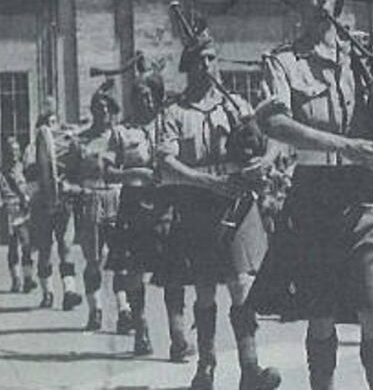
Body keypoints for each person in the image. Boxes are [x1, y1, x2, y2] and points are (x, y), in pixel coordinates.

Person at [255, 0, 373, 390]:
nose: (321, 0)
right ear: (297, 3)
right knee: (322, 315)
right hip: (314, 196)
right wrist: (348, 145)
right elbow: (274, 121)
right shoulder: (283, 61)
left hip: (368, 194)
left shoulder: (364, 55)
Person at [158, 21, 281, 390]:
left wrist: (266, 159)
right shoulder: (176, 112)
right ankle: (206, 367)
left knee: (243, 287)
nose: (208, 66)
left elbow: (273, 134)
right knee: (206, 289)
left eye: (212, 58)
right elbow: (166, 163)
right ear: (188, 66)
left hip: (239, 207)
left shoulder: (238, 106)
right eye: (200, 60)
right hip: (198, 208)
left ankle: (250, 368)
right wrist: (207, 181)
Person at [104, 71, 195, 360]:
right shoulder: (121, 132)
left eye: (149, 94)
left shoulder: (169, 123)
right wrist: (135, 173)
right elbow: (106, 170)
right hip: (134, 206)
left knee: (174, 273)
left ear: (157, 96)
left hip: (167, 205)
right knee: (134, 271)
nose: (144, 99)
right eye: (139, 94)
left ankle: (178, 336)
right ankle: (141, 328)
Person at [71, 83, 123, 331]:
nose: (102, 112)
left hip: (116, 197)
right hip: (90, 199)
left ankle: (125, 310)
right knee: (93, 260)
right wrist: (74, 188)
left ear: (112, 111)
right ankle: (96, 311)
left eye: (106, 108)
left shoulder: (119, 137)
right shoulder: (80, 140)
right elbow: (67, 174)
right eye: (98, 107)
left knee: (121, 258)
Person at [29, 106, 83, 311]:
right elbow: (31, 175)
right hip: (42, 204)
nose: (51, 126)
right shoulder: (32, 148)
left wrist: (67, 183)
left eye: (53, 122)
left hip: (63, 201)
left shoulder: (67, 145)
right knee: (44, 250)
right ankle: (47, 292)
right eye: (47, 122)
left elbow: (75, 168)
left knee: (66, 246)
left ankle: (69, 291)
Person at [0, 136, 35, 294]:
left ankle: (28, 278)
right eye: (11, 151)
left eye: (17, 150)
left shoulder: (23, 167)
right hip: (9, 209)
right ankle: (16, 279)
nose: (14, 154)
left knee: (27, 244)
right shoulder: (1, 170)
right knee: (12, 246)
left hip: (23, 208)